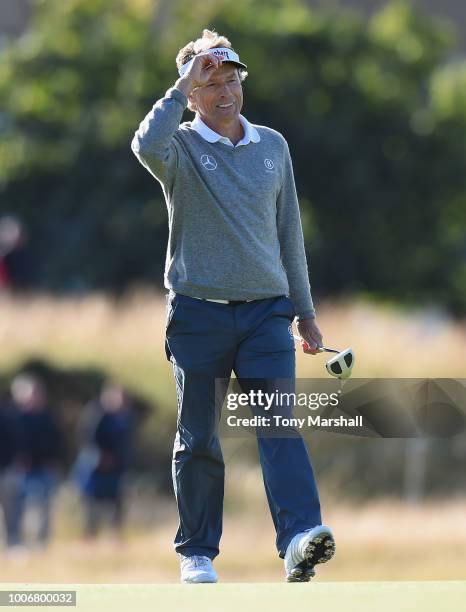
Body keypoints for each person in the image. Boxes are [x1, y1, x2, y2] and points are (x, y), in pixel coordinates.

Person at [131, 29, 335, 583]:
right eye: (210, 82)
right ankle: (196, 551)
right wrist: (179, 85)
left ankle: (298, 538)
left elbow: (289, 232)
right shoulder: (179, 146)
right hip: (197, 313)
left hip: (267, 313)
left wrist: (305, 311)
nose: (223, 91)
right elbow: (144, 145)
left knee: (279, 425)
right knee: (199, 436)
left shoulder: (272, 145)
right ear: (192, 92)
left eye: (230, 79)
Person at [8, 373, 61, 549]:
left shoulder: (48, 417)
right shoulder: (15, 419)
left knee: (44, 508)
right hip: (23, 470)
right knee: (18, 508)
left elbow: (57, 441)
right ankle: (16, 542)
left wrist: (53, 459)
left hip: (44, 469)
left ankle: (41, 543)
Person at [74, 382, 133, 540]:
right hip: (95, 469)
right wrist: (100, 457)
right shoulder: (95, 414)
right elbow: (86, 439)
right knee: (91, 506)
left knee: (117, 505)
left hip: (116, 470)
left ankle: (115, 536)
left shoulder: (124, 417)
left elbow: (126, 445)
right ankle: (89, 537)